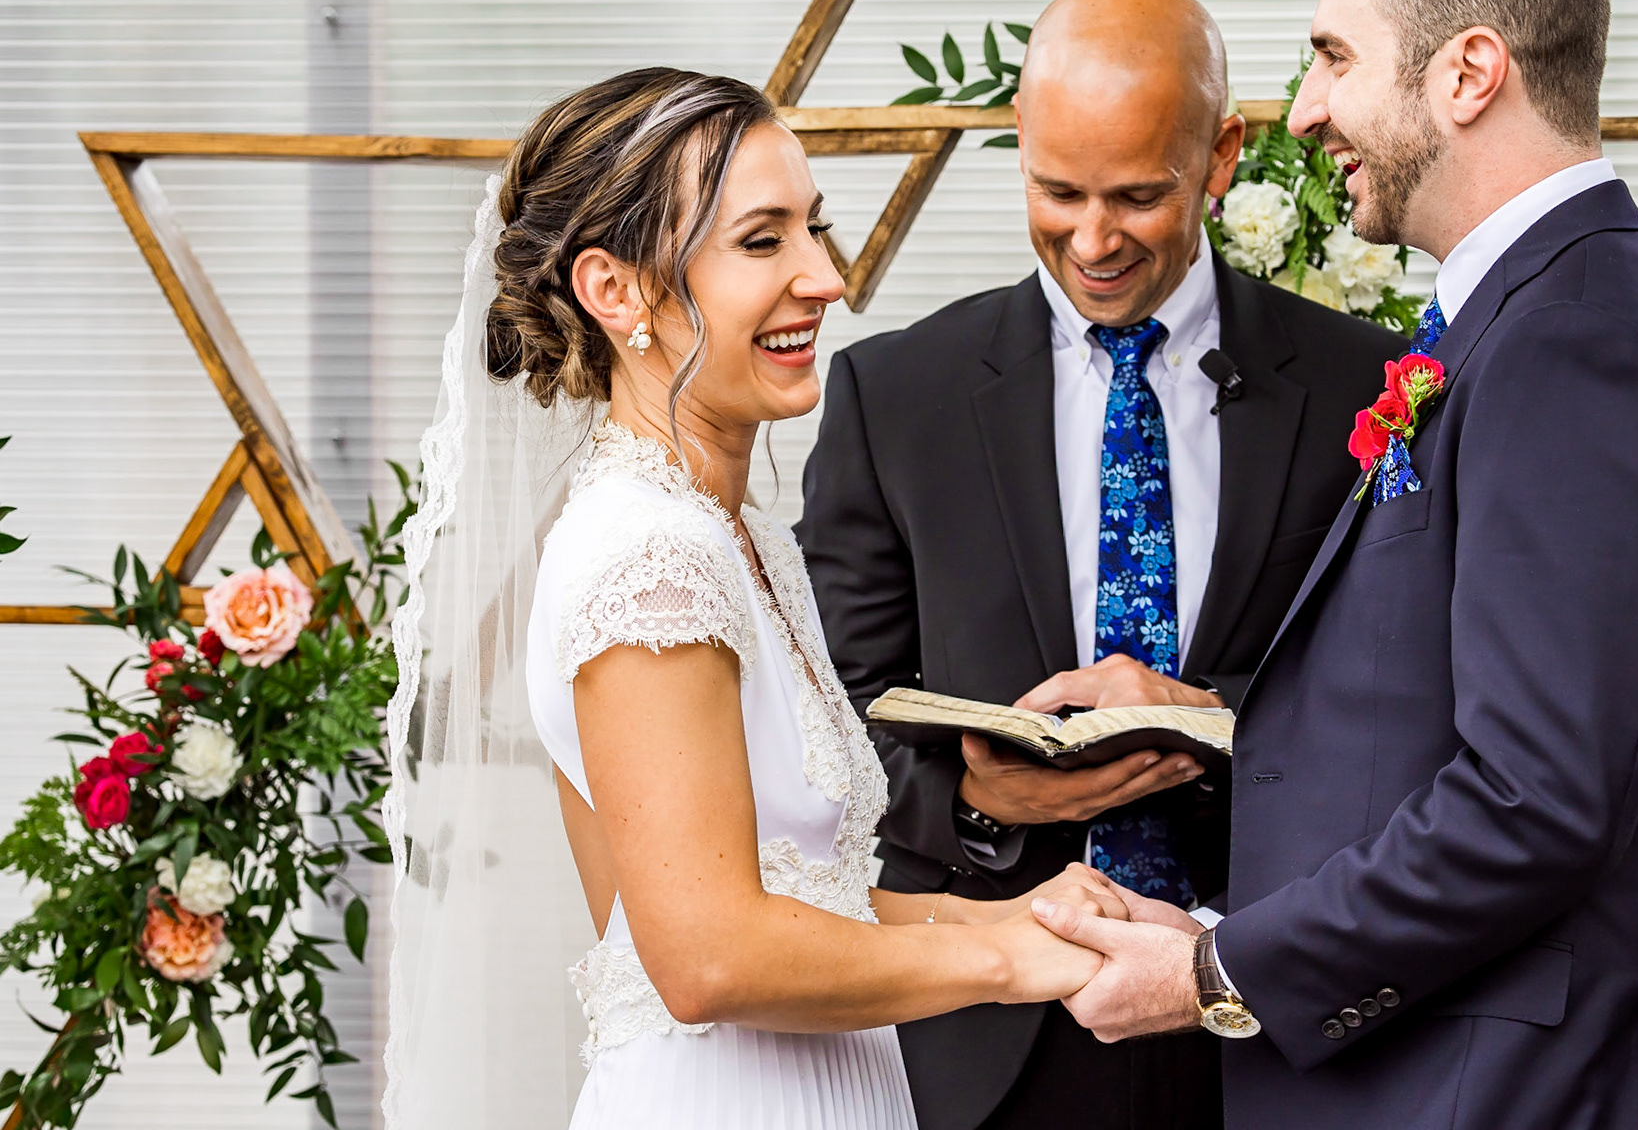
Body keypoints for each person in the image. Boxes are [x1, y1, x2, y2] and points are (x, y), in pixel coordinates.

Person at [1032, 0, 1638, 1130]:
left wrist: (1218, 974)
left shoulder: (1575, 343)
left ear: (1469, 72)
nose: (1305, 108)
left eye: (1334, 57)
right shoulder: (1531, 316)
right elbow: (1431, 724)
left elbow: (1534, 800)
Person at [383, 67, 1137, 1130]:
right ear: (616, 291)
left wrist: (1014, 913)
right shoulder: (648, 557)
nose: (824, 277)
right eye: (761, 241)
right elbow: (705, 957)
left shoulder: (735, 537)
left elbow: (799, 897)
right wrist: (1006, 961)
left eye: (813, 228)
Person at [796, 0, 1403, 1130]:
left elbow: (1406, 698)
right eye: (1056, 190)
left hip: (1279, 1020)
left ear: (1220, 156)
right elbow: (829, 721)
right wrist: (979, 799)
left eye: (1136, 196)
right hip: (984, 1042)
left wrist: (1212, 716)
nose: (1092, 239)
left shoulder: (1363, 388)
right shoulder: (895, 396)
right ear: (1021, 141)